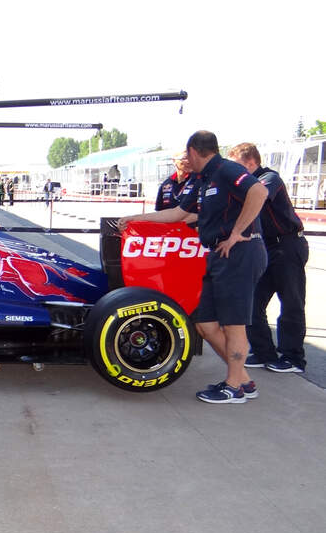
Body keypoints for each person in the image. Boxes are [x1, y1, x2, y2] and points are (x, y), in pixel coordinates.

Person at [117, 130, 268, 404]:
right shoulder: (203, 178)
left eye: (187, 154)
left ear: (194, 152)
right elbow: (179, 213)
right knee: (205, 324)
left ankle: (233, 387)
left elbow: (259, 191)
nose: (186, 159)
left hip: (240, 252)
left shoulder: (226, 169)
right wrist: (133, 218)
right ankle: (244, 380)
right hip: (217, 255)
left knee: (234, 324)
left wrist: (236, 232)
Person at [228, 142, 307, 373]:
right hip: (266, 247)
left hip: (288, 245)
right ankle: (264, 352)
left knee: (291, 302)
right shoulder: (246, 183)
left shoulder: (269, 179)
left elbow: (257, 197)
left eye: (238, 166)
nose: (235, 172)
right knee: (253, 302)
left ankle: (293, 358)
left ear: (251, 163)